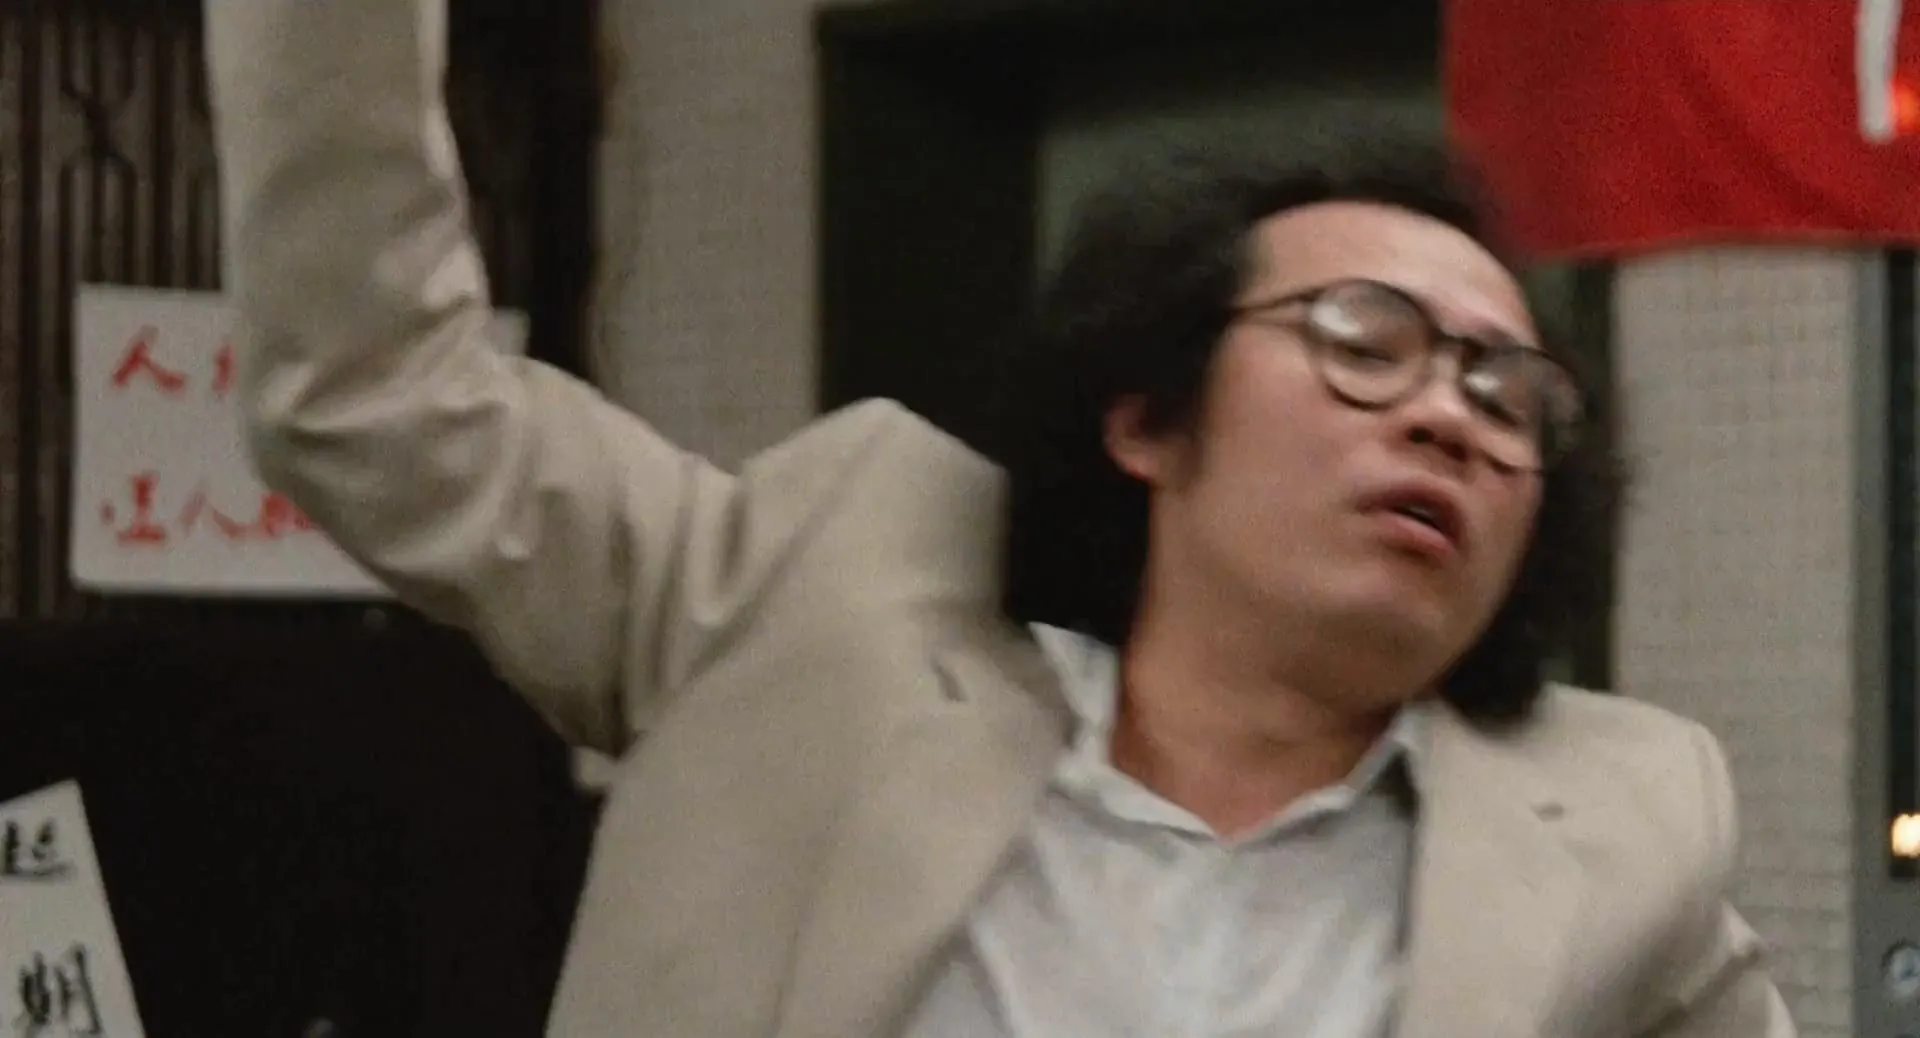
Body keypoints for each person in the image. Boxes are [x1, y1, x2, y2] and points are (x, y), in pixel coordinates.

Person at [204, 1, 1797, 1036]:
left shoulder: (1620, 834)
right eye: (1364, 343)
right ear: (1147, 415)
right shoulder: (810, 592)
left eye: (1509, 394)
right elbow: (378, 395)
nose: (1450, 412)